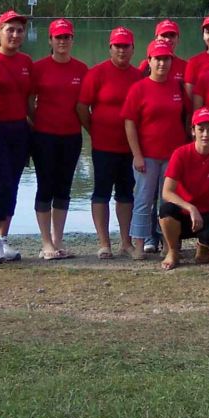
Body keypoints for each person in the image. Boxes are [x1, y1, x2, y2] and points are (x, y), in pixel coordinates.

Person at [77, 26, 143, 259]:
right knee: (101, 192)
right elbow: (82, 107)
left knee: (126, 193)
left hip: (130, 148)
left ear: (133, 48)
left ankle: (126, 242)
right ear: (110, 48)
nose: (122, 50)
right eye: (117, 46)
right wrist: (93, 130)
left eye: (126, 46)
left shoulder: (138, 76)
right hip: (103, 145)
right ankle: (104, 243)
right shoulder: (97, 73)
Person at [122, 39, 189, 259]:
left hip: (173, 156)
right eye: (158, 59)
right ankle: (139, 245)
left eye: (166, 59)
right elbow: (129, 123)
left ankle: (169, 245)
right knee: (143, 200)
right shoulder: (139, 88)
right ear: (149, 61)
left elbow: (187, 118)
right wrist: (137, 155)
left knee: (167, 201)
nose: (162, 63)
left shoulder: (177, 86)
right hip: (147, 155)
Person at [28, 18, 87, 260]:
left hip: (71, 136)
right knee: (45, 187)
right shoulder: (38, 68)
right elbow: (29, 102)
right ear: (50, 40)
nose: (63, 41)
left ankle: (58, 241)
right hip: (44, 137)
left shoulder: (81, 69)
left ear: (72, 39)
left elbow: (84, 105)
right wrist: (40, 121)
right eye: (58, 37)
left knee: (64, 188)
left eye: (67, 37)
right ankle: (46, 243)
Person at [157, 108, 209, 270]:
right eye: (201, 129)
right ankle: (173, 251)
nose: (205, 134)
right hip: (183, 212)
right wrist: (190, 207)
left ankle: (203, 246)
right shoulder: (180, 154)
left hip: (205, 214)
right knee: (166, 210)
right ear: (193, 131)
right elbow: (166, 192)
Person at [0, 9, 33, 263]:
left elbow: (30, 99)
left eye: (19, 30)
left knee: (13, 186)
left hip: (20, 130)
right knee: (2, 185)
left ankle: (3, 239)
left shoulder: (26, 62)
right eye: (10, 30)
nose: (15, 35)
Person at [143, 19, 187, 85]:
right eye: (164, 35)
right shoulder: (146, 65)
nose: (168, 39)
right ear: (156, 39)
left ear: (178, 39)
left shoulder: (185, 66)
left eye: (172, 35)